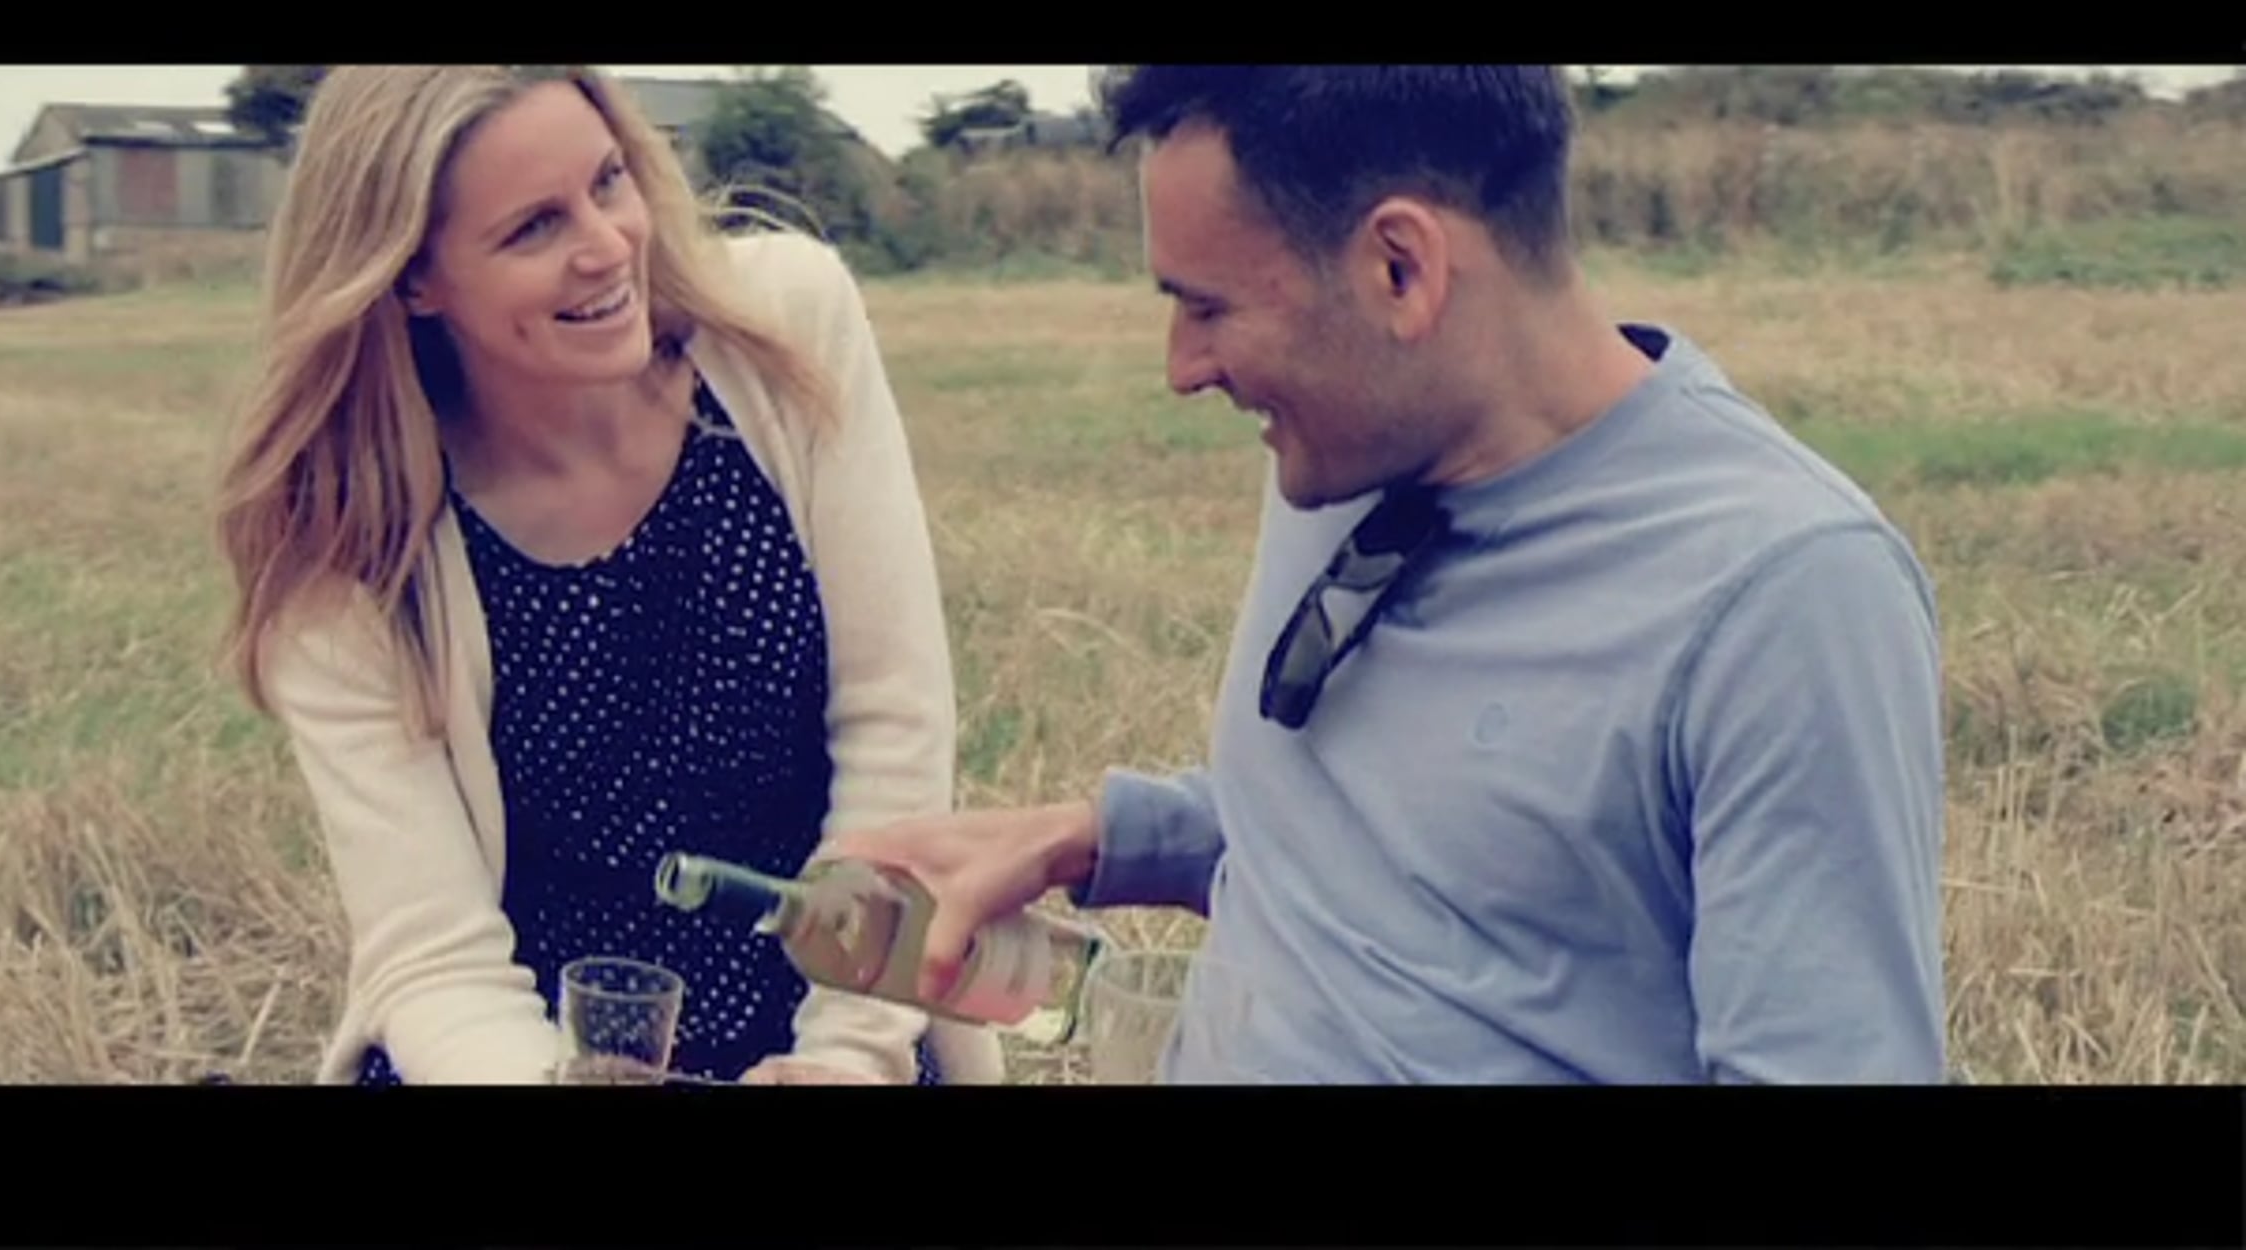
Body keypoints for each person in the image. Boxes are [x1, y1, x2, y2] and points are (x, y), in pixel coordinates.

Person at [824, 65, 1948, 1084]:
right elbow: (1413, 841)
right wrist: (1096, 837)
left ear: (1400, 269)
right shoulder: (1347, 454)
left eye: (1207, 306)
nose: (1182, 368)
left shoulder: (1783, 596)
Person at [213, 65, 1002, 1086]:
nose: (609, 245)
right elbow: (435, 957)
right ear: (411, 280)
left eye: (609, 180)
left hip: (834, 1017)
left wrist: (845, 1058)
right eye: (534, 228)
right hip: (520, 1055)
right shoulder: (347, 546)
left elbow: (894, 726)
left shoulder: (786, 322)